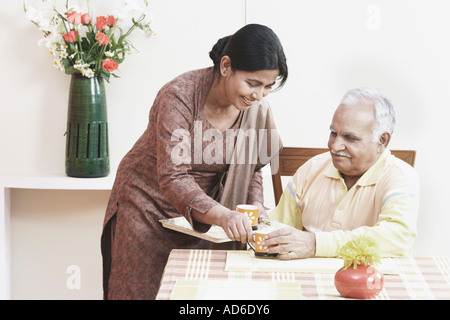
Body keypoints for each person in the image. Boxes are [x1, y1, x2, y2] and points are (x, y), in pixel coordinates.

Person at [101, 24, 288, 300]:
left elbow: (251, 170)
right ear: (226, 66)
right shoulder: (179, 96)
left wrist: (256, 205)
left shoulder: (255, 109)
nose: (259, 95)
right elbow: (173, 178)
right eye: (253, 83)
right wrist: (223, 215)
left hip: (205, 219)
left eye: (268, 87)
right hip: (146, 208)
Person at [266, 86, 419, 260]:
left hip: (372, 285)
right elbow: (276, 229)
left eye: (350, 138)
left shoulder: (401, 177)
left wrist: (315, 244)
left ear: (382, 141)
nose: (334, 146)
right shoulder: (312, 169)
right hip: (308, 282)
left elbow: (397, 237)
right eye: (333, 133)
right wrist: (256, 228)